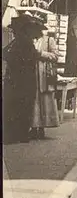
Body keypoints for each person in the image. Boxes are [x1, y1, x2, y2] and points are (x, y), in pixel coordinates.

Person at [3, 14, 57, 144]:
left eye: (15, 30)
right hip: (24, 79)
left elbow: (27, 57)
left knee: (24, 106)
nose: (13, 32)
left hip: (25, 79)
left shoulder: (27, 41)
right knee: (24, 106)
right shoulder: (21, 41)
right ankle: (23, 133)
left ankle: (24, 133)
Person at [30, 30, 60, 139]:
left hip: (45, 76)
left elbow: (56, 56)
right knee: (34, 102)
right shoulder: (30, 40)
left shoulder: (48, 40)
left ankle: (42, 128)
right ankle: (33, 127)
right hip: (32, 75)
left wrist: (42, 54)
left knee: (45, 102)